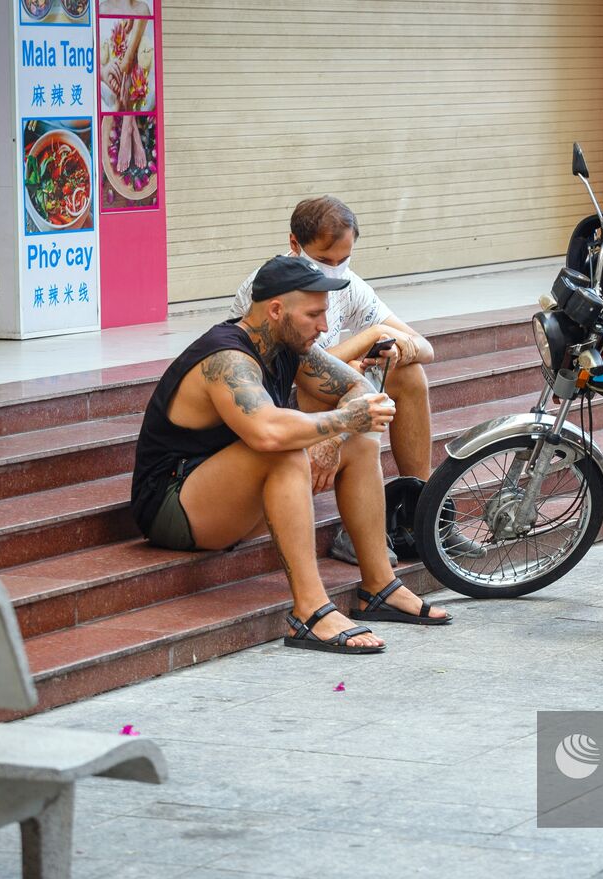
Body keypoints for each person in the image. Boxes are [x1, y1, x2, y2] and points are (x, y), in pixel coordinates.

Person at [132, 255, 452, 656]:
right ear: (277, 310)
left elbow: (359, 389)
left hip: (230, 498)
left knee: (358, 440)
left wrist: (334, 438)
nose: (324, 326)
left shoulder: (288, 345)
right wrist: (339, 422)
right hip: (175, 506)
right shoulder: (226, 358)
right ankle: (311, 611)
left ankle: (379, 587)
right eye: (314, 314)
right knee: (283, 453)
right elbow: (266, 431)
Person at [231, 197, 480, 563]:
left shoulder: (351, 285)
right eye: (324, 261)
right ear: (294, 245)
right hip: (270, 407)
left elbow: (425, 347)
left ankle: (422, 514)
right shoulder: (272, 288)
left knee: (409, 373)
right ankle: (359, 526)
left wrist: (397, 350)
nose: (334, 271)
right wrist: (365, 343)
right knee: (336, 385)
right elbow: (302, 368)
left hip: (320, 398)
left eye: (343, 260)